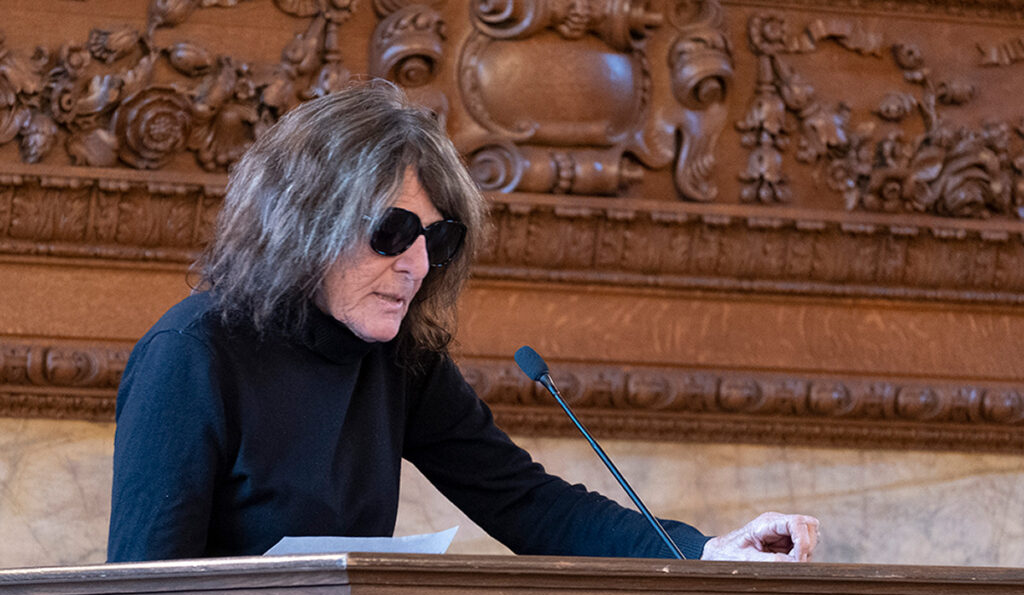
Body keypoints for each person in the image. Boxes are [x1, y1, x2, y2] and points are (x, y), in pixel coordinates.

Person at [107, 80, 819, 563]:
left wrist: (704, 552)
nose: (417, 265)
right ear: (305, 225)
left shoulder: (395, 359)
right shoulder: (192, 354)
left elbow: (529, 504)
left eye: (437, 240)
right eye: (391, 233)